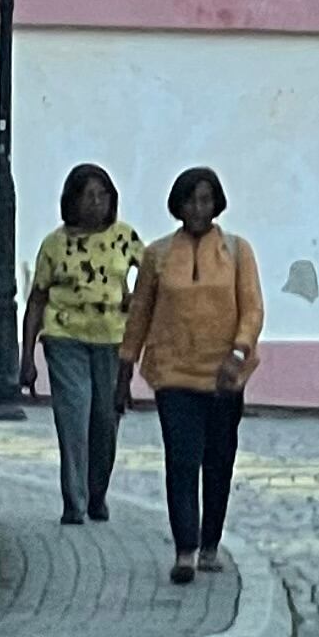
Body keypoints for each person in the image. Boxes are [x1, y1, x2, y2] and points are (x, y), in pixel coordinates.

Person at [120, 164, 262, 583]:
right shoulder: (158, 255)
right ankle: (185, 548)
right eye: (190, 200)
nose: (198, 208)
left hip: (224, 374)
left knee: (218, 461)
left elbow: (252, 307)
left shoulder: (237, 251)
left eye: (205, 199)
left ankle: (211, 544)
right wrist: (125, 366)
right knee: (182, 460)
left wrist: (239, 352)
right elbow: (140, 313)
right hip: (173, 373)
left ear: (216, 203)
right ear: (177, 205)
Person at [20, 165, 141, 527]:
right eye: (88, 196)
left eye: (103, 196)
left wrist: (135, 300)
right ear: (71, 201)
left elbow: (153, 279)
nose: (95, 204)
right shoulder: (54, 245)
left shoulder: (125, 237)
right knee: (74, 416)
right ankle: (74, 501)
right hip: (64, 337)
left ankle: (97, 493)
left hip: (112, 340)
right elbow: (37, 300)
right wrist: (26, 356)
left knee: (105, 419)